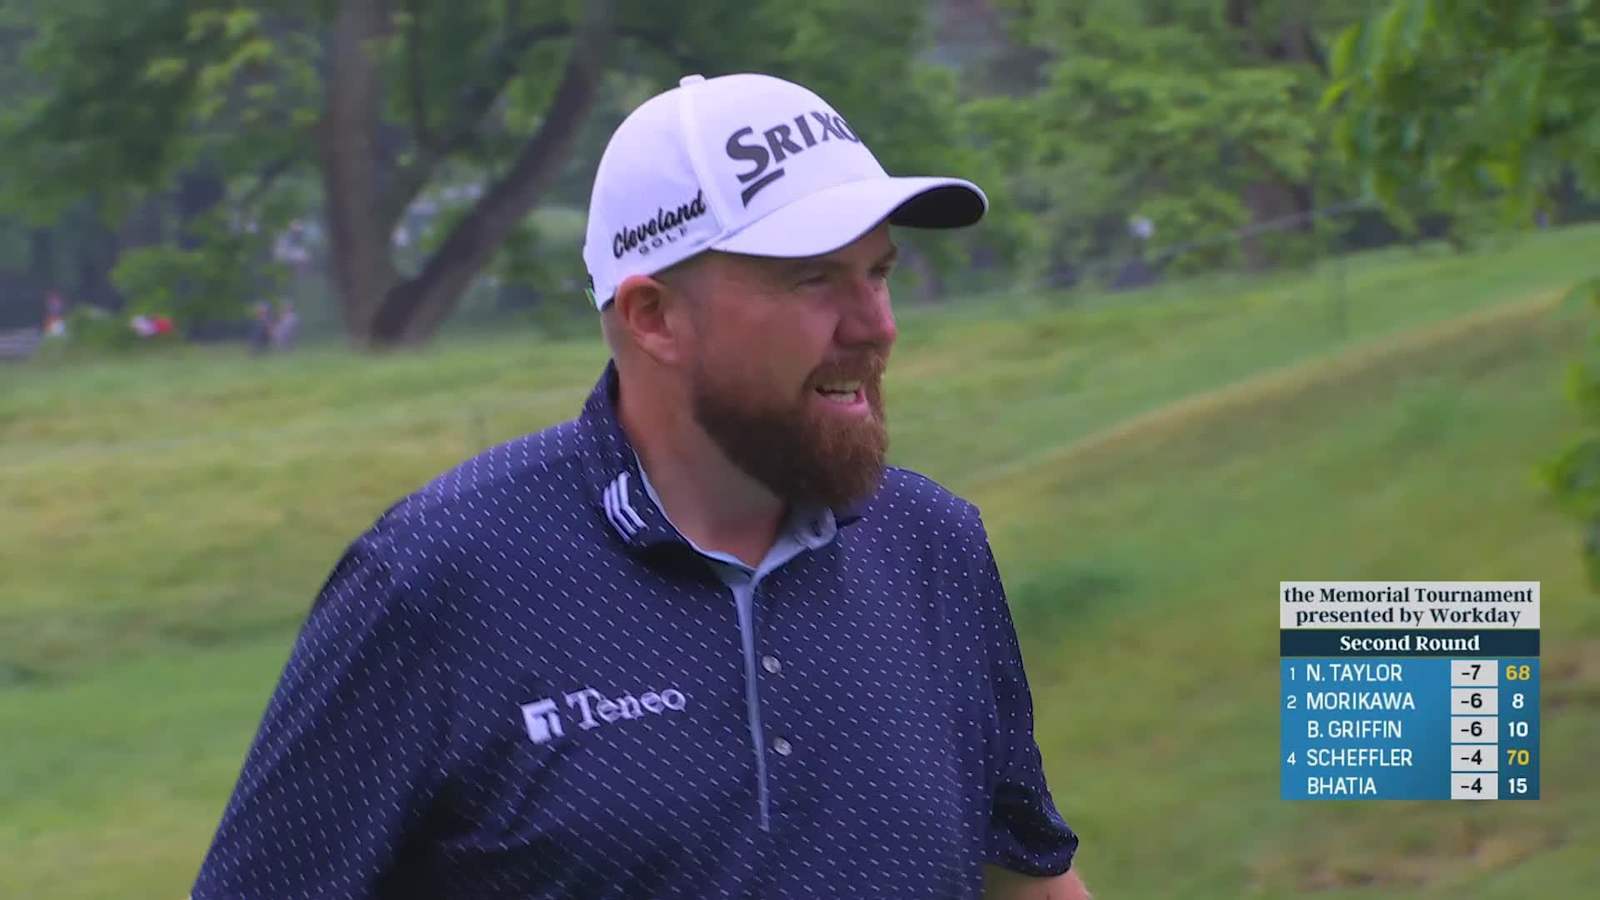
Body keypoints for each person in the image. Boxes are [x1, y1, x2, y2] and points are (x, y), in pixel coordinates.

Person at [192, 72, 1087, 900]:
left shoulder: (934, 547)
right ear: (653, 316)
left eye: (879, 272)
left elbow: (1023, 875)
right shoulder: (437, 583)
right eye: (814, 278)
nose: (877, 326)